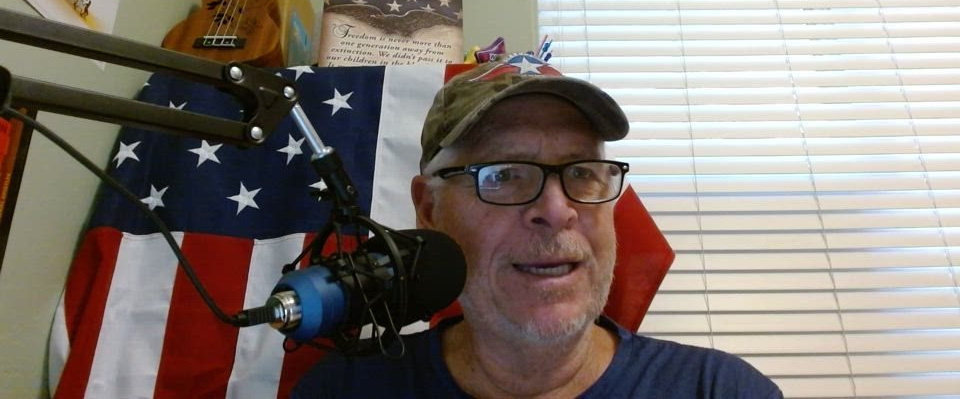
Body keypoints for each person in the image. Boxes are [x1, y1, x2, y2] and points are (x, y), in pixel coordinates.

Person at [293, 54, 783, 398]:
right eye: (505, 174)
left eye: (582, 173)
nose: (556, 209)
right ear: (429, 210)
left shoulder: (720, 390)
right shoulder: (343, 389)